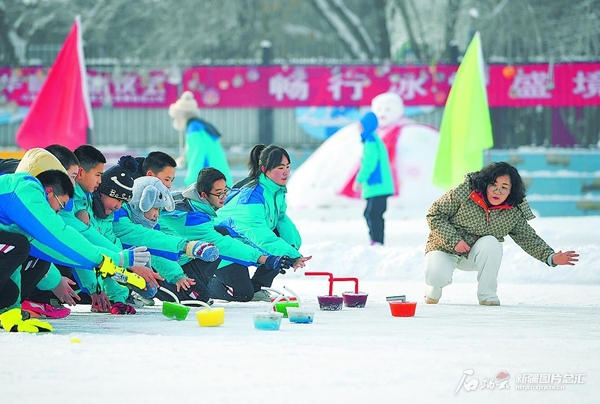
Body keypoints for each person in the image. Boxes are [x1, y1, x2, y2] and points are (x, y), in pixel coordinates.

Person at [0, 169, 145, 332]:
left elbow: (47, 251)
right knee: (20, 246)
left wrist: (11, 313)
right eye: (60, 205)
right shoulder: (25, 190)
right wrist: (104, 260)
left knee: (30, 254)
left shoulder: (18, 222)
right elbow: (59, 235)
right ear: (48, 192)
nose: (57, 213)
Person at [424, 161, 579, 306]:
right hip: (444, 248)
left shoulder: (513, 211)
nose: (497, 191)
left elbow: (528, 238)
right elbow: (434, 215)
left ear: (511, 191)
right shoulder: (464, 194)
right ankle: (435, 286)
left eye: (504, 187)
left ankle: (487, 295)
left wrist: (550, 257)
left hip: (475, 256)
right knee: (437, 277)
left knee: (491, 242)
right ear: (485, 184)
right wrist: (454, 241)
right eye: (493, 184)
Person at [161, 167, 295, 302]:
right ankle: (152, 289)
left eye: (225, 190)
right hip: (168, 267)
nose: (224, 197)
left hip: (188, 255)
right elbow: (225, 245)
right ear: (203, 194)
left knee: (222, 232)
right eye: (219, 193)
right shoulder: (194, 220)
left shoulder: (190, 200)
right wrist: (265, 259)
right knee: (207, 298)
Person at [216, 144, 311, 301]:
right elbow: (259, 233)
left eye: (287, 166)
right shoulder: (252, 197)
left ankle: (256, 288)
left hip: (244, 242)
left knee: (282, 251)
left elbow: (281, 218)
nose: (286, 171)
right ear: (264, 169)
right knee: (242, 294)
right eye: (280, 167)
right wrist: (292, 254)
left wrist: (292, 247)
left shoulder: (276, 191)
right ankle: (207, 281)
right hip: (224, 249)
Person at [168, 91, 232, 186]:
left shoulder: (193, 128)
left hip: (213, 183)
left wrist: (191, 181)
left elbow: (197, 154)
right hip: (222, 181)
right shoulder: (202, 126)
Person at [353, 112, 394, 246]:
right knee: (372, 213)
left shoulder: (371, 141)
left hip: (378, 186)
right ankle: (375, 241)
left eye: (361, 126)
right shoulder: (372, 139)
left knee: (373, 214)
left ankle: (377, 242)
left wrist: (359, 179)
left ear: (367, 126)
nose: (358, 129)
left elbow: (369, 163)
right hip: (377, 186)